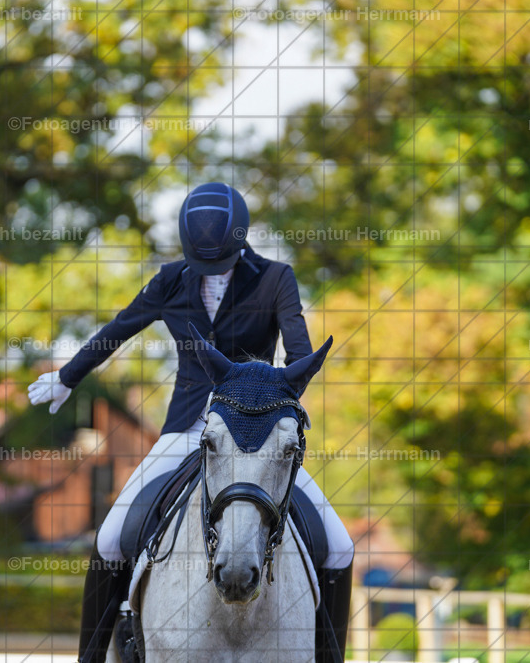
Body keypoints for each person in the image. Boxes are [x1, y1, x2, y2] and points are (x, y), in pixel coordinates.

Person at [28, 182, 354, 662]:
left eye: (222, 262)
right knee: (111, 537)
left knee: (341, 546)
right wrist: (68, 377)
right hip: (185, 431)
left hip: (258, 435)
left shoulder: (275, 279)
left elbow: (299, 357)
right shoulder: (170, 281)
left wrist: (263, 402)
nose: (214, 272)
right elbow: (119, 328)